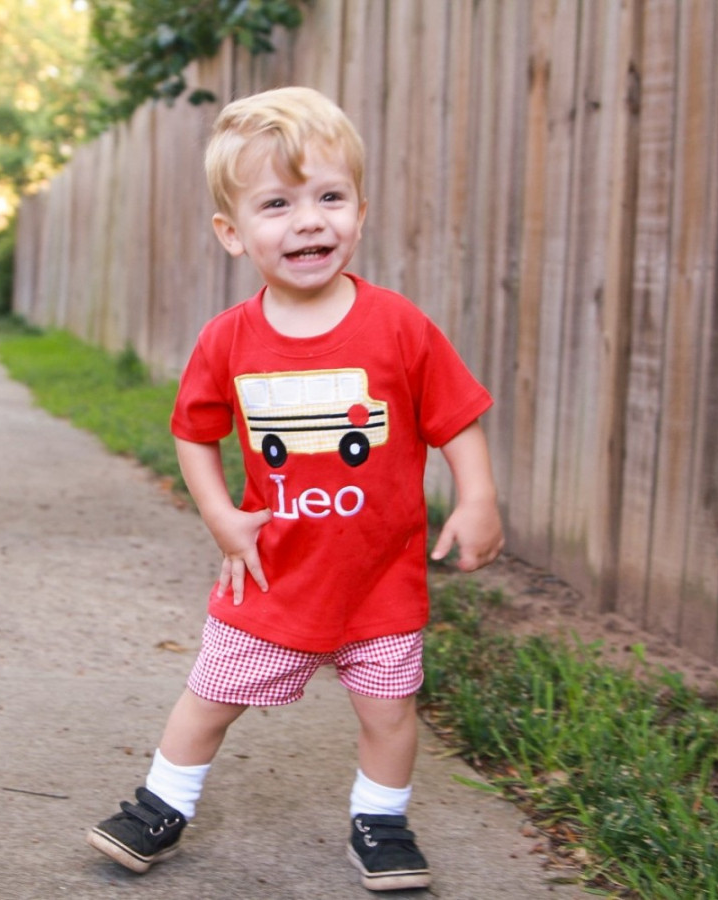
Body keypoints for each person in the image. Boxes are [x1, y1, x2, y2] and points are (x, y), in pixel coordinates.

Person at [86, 86, 503, 892]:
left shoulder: (400, 328)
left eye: (330, 197)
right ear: (233, 234)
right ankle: (160, 804)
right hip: (274, 573)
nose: (310, 220)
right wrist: (220, 516)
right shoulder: (229, 339)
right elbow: (193, 431)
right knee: (211, 695)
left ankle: (380, 822)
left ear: (361, 210)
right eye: (277, 204)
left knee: (389, 711)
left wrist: (477, 496)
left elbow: (456, 418)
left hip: (379, 577)